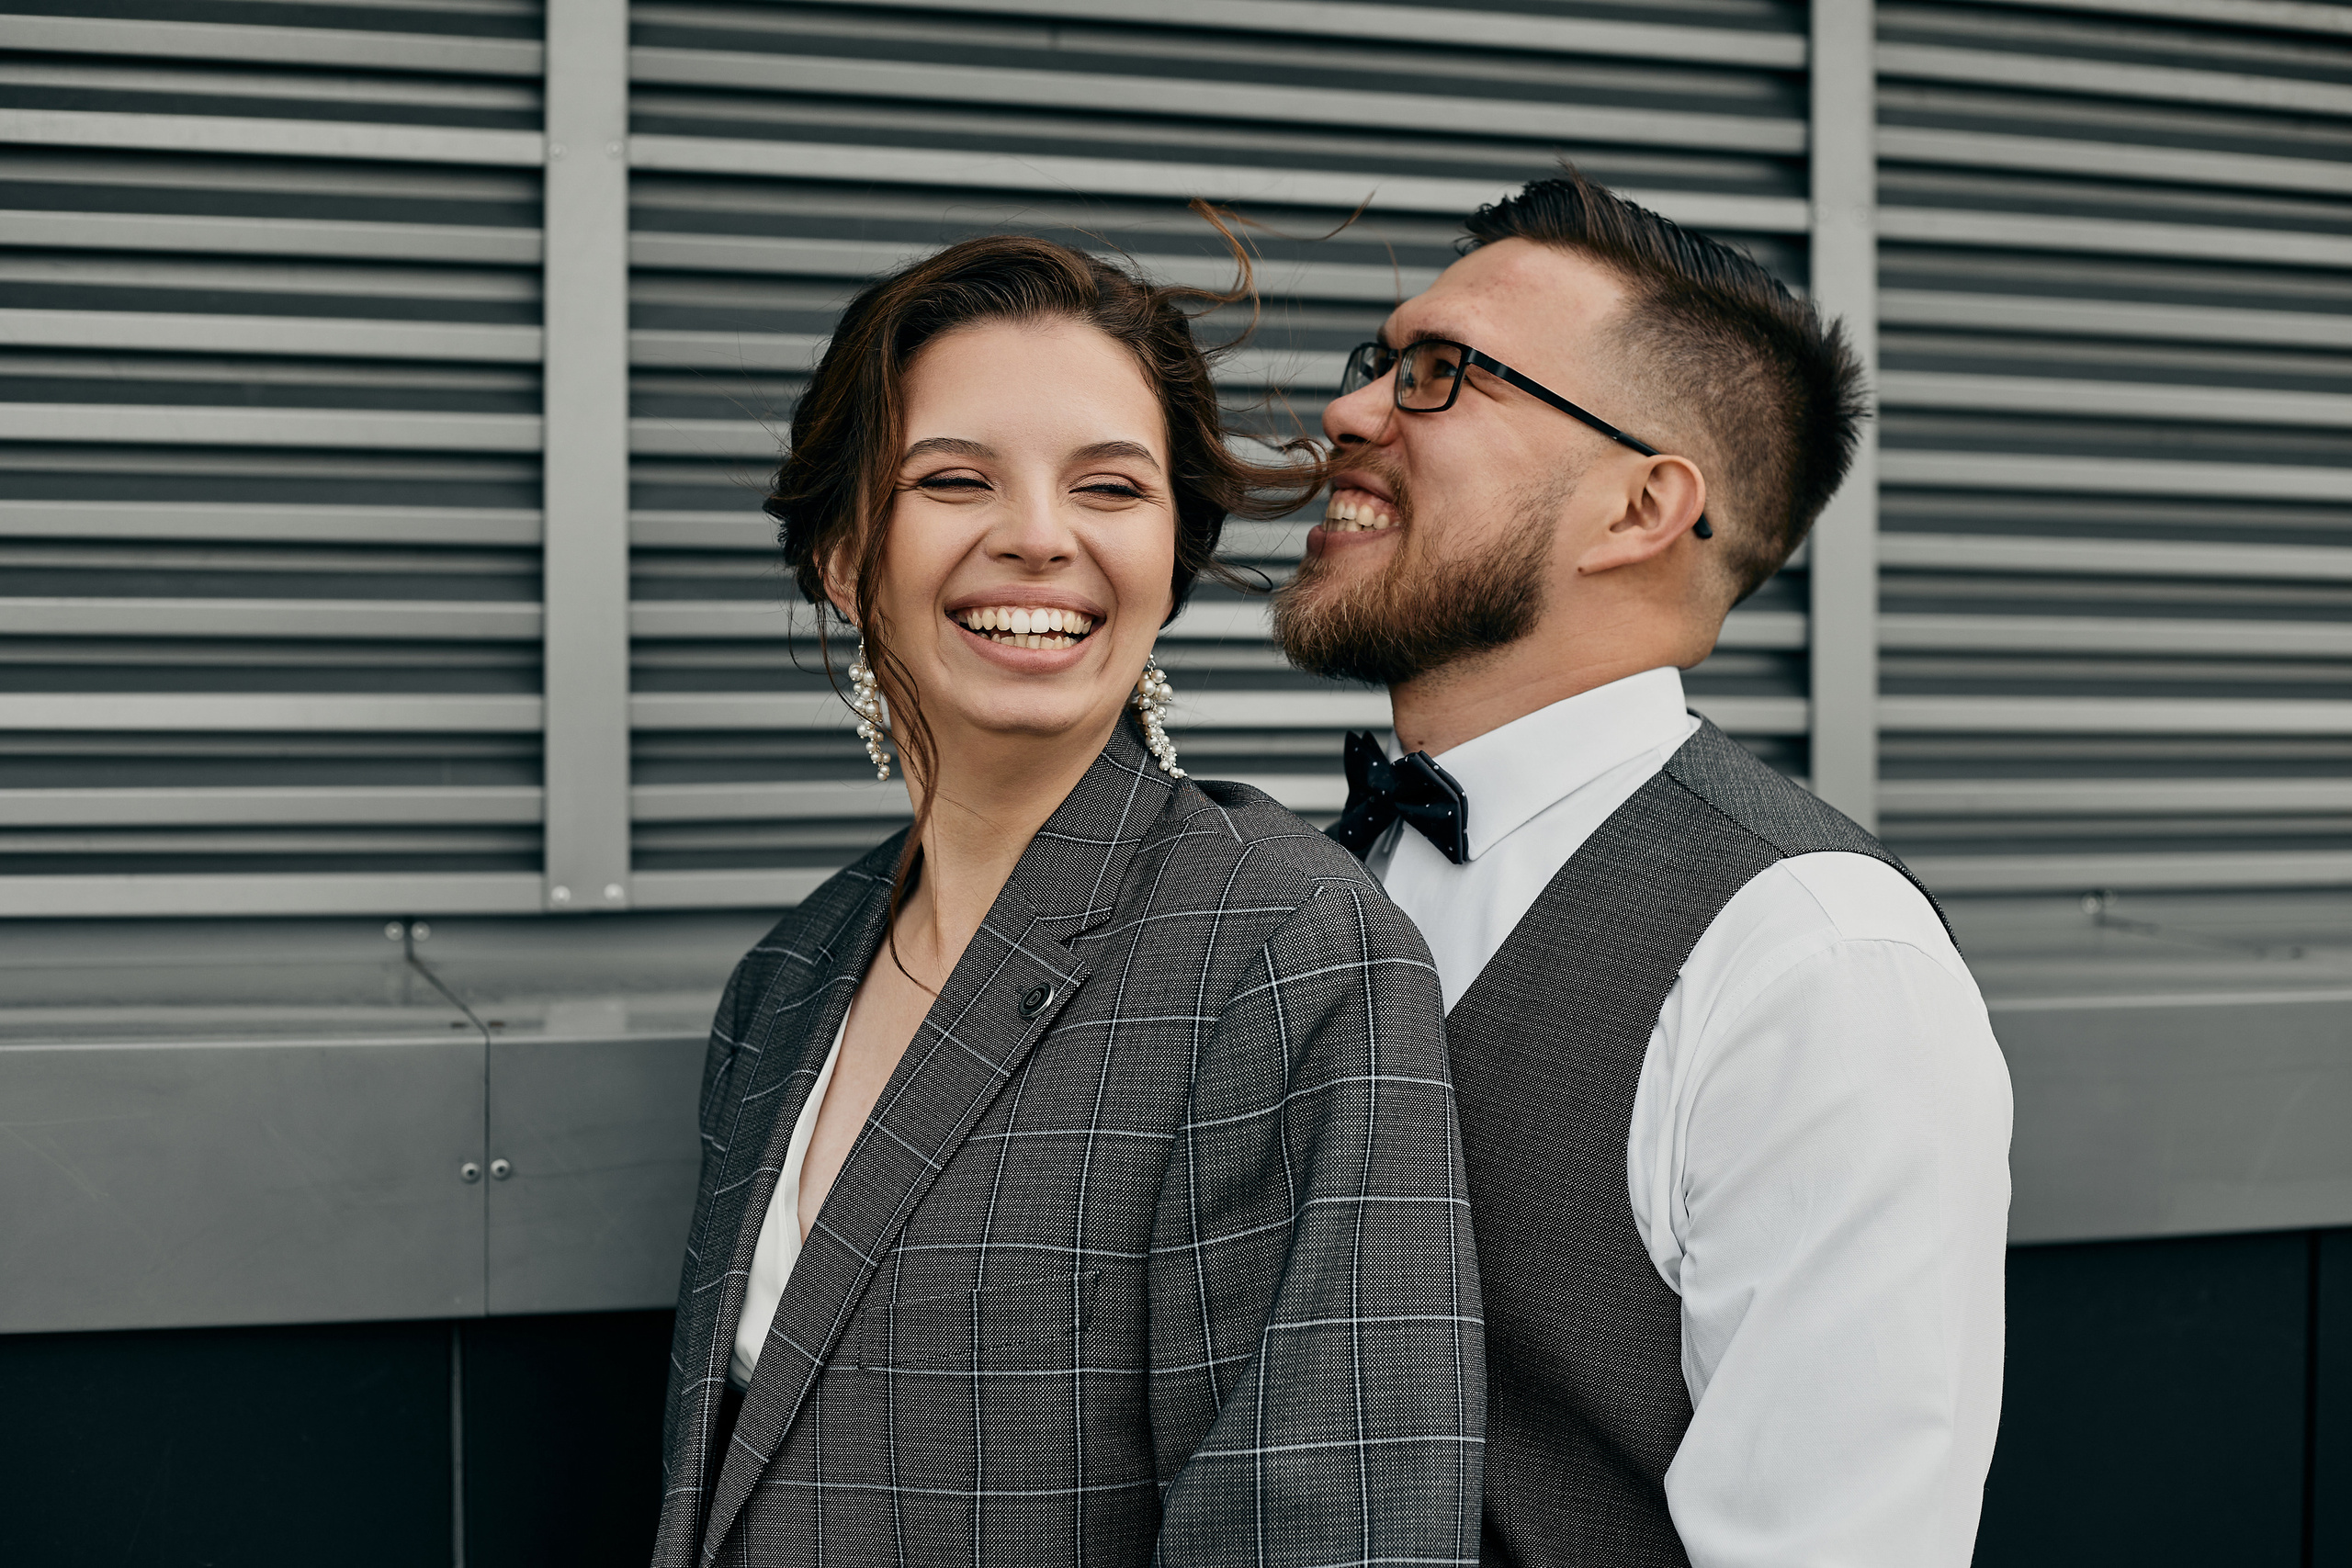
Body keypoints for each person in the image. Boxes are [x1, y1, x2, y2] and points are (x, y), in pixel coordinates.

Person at [651, 231, 1484, 1568]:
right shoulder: (786, 982)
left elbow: (1324, 1536)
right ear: (844, 554)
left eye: (1109, 487)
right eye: (954, 479)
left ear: (1170, 555)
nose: (1039, 539)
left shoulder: (1286, 953)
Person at [1275, 168, 2013, 1567]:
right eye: (1381, 361)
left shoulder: (1815, 963)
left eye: (1441, 374)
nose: (1350, 411)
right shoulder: (1298, 881)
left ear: (1638, 510)